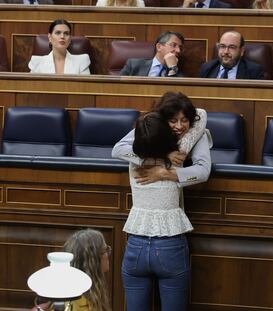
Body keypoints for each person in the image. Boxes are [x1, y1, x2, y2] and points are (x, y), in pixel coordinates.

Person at [112, 92, 211, 311]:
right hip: (168, 243)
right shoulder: (148, 138)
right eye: (173, 120)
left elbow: (203, 171)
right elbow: (117, 149)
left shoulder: (190, 136)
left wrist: (165, 173)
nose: (179, 126)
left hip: (137, 241)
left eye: (184, 120)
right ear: (162, 119)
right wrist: (164, 156)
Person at [31, 229, 111, 311]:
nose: (108, 254)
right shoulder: (80, 305)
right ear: (93, 260)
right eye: (106, 250)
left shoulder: (77, 295)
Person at [199, 31, 264, 79]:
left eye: (232, 47)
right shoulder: (207, 68)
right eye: (222, 46)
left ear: (241, 51)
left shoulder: (254, 71)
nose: (226, 52)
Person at [120, 31, 184, 77]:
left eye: (180, 47)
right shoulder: (133, 65)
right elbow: (117, 86)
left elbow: (173, 93)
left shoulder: (179, 75)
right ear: (159, 47)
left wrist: (172, 69)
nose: (178, 50)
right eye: (173, 45)